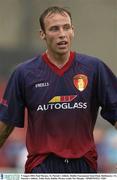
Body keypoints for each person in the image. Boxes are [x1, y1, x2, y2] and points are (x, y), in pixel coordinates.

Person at [0, 6, 117, 173]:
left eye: (66, 27)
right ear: (42, 34)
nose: (62, 34)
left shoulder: (94, 68)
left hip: (83, 166)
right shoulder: (23, 73)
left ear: (73, 31)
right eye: (54, 29)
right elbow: (5, 125)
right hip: (42, 167)